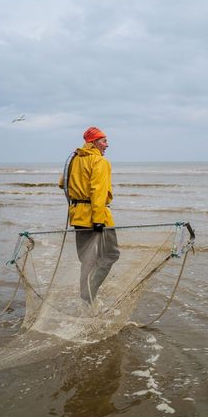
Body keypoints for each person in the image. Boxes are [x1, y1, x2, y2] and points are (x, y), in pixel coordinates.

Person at [60, 126, 120, 304]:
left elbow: (62, 183)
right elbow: (98, 192)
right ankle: (89, 295)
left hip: (77, 216)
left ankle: (85, 297)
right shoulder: (100, 161)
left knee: (86, 260)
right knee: (111, 255)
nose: (107, 145)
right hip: (97, 217)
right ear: (93, 142)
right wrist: (99, 220)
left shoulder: (74, 159)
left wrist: (79, 187)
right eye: (103, 141)